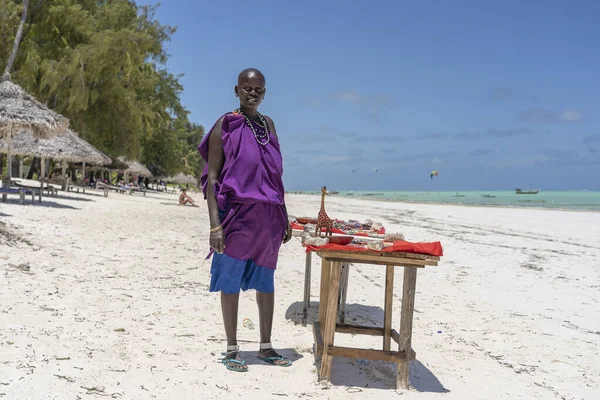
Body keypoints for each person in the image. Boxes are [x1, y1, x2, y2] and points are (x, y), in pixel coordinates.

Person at [198, 68, 293, 372]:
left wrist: (284, 214)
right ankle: (231, 348)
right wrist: (215, 225)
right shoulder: (225, 125)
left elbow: (275, 177)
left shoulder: (270, 125)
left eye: (259, 90)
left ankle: (265, 347)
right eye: (247, 88)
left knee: (266, 280)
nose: (253, 94)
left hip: (269, 217)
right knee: (230, 278)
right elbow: (212, 179)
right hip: (237, 215)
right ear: (236, 90)